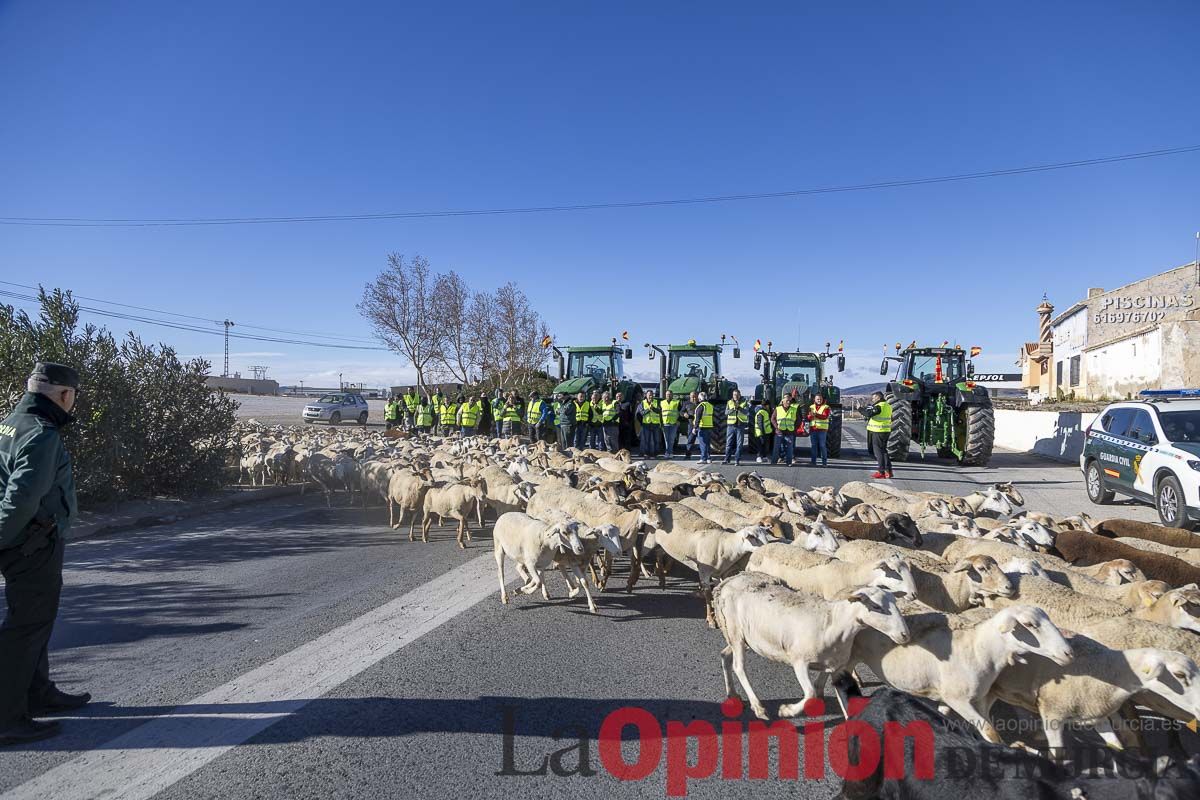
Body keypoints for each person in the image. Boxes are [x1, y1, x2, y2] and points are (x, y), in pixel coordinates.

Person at [0, 363, 90, 746]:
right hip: (31, 541)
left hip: (19, 539)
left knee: (35, 621)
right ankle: (7, 717)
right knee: (27, 626)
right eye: (73, 398)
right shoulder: (42, 434)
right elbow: (21, 498)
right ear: (64, 395)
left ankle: (38, 692)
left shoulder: (8, 423)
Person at [862, 391, 893, 479]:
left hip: (878, 431)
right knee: (883, 451)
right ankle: (889, 471)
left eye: (874, 397)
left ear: (878, 397)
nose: (873, 399)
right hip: (886, 430)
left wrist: (860, 409)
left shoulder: (880, 406)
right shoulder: (888, 405)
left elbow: (868, 414)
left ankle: (881, 472)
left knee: (878, 452)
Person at [721, 389, 749, 466]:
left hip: (740, 425)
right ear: (732, 395)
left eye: (737, 395)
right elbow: (726, 412)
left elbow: (746, 412)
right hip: (731, 426)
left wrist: (739, 408)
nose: (735, 396)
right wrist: (733, 409)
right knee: (728, 443)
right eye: (734, 395)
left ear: (739, 395)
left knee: (739, 444)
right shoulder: (729, 402)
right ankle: (727, 459)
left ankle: (737, 460)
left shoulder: (744, 402)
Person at [772, 394, 797, 466]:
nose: (788, 402)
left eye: (789, 401)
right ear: (782, 401)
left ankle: (789, 462)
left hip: (789, 432)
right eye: (787, 401)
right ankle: (774, 462)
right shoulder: (778, 409)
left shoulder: (794, 409)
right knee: (776, 447)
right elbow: (773, 419)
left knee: (789, 448)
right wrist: (777, 427)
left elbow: (798, 420)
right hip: (779, 432)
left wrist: (794, 428)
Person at [808, 393, 832, 468]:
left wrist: (815, 415)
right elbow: (808, 417)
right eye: (817, 399)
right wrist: (810, 416)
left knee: (822, 445)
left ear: (822, 399)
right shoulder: (811, 407)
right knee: (814, 446)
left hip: (822, 429)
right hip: (813, 429)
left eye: (820, 399)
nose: (819, 400)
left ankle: (824, 462)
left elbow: (825, 416)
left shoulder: (826, 407)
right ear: (814, 399)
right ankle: (813, 462)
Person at [692, 392, 715, 464]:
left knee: (703, 444)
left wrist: (695, 428)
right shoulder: (710, 405)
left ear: (699, 398)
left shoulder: (700, 406)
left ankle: (703, 458)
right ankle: (708, 458)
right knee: (707, 443)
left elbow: (697, 418)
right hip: (709, 426)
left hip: (702, 427)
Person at [638, 390, 660, 459]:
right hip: (646, 424)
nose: (650, 396)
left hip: (655, 424)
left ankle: (655, 454)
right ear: (646, 395)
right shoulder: (642, 403)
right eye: (649, 395)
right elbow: (641, 413)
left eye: (651, 395)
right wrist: (648, 409)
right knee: (646, 440)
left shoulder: (657, 402)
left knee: (656, 440)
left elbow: (659, 411)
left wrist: (653, 408)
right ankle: (646, 454)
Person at [659, 390, 680, 459]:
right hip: (665, 424)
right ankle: (667, 452)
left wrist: (678, 420)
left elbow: (680, 412)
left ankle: (670, 452)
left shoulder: (676, 402)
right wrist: (661, 422)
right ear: (665, 395)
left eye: (670, 394)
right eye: (667, 394)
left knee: (671, 439)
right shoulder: (662, 403)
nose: (668, 395)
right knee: (666, 439)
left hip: (673, 424)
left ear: (672, 395)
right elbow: (660, 413)